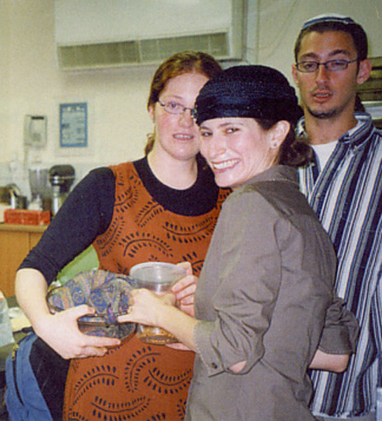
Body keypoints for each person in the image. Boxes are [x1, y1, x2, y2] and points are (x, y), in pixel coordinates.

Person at [118, 64, 359, 420]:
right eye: (207, 132)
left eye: (232, 130)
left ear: (278, 133)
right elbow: (334, 353)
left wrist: (160, 314)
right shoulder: (298, 208)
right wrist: (200, 322)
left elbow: (236, 354)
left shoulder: (249, 205)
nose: (214, 149)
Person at [7, 51, 227, 420]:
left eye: (198, 109)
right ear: (152, 108)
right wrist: (46, 327)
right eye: (174, 105)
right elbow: (34, 267)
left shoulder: (231, 196)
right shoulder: (108, 185)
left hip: (201, 393)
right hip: (108, 390)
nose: (185, 121)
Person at [291, 14, 381, 420]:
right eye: (310, 64)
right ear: (296, 73)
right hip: (267, 397)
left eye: (337, 63)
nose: (322, 77)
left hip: (349, 401)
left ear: (362, 70)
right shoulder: (267, 158)